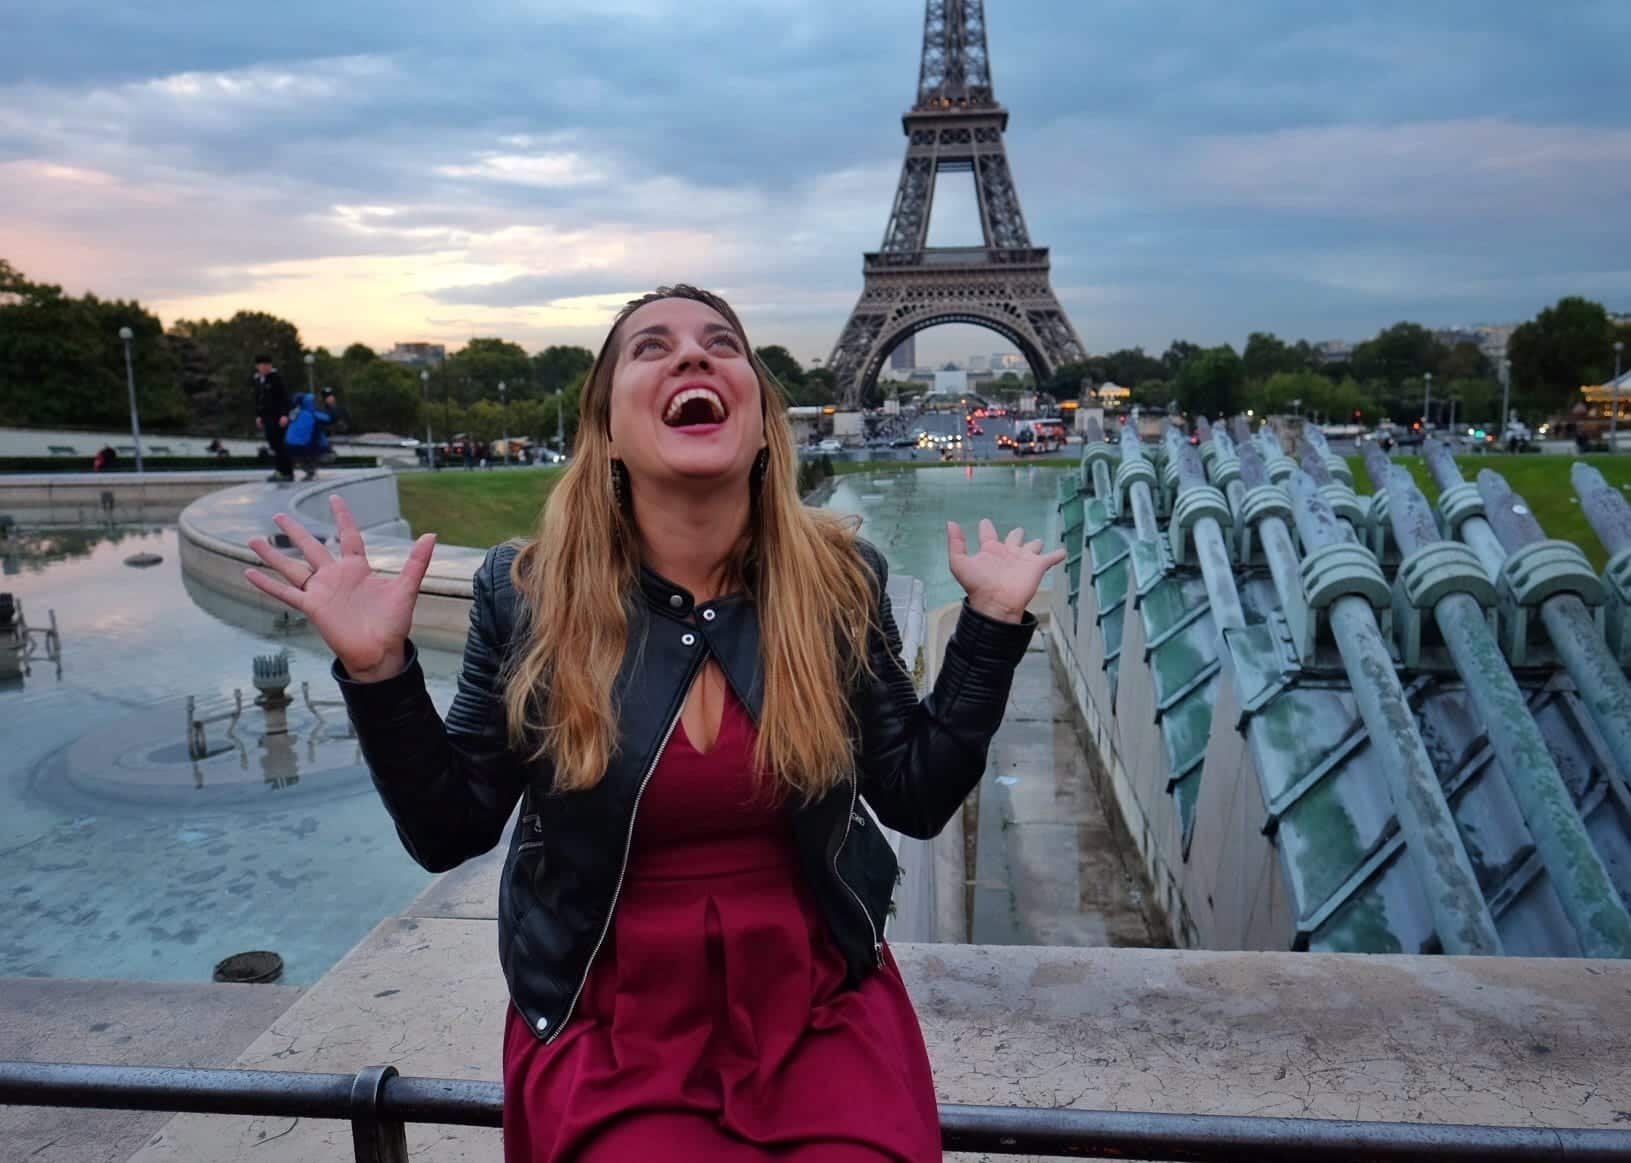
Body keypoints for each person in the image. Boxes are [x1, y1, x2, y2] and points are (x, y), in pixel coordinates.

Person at [242, 285, 1062, 1162]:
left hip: (818, 1003)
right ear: (604, 428)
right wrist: (379, 673)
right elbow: (452, 828)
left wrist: (988, 632)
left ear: (760, 418)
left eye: (721, 342)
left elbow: (917, 793)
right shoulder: (528, 594)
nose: (693, 356)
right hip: (612, 1015)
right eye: (651, 347)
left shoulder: (836, 580)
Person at [252, 355, 293, 482]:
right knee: (274, 445)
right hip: (267, 418)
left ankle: (286, 472)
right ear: (257, 367)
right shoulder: (259, 380)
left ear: (270, 366)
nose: (264, 367)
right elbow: (259, 400)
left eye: (266, 365)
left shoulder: (276, 379)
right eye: (261, 365)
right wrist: (258, 415)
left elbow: (285, 398)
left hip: (278, 417)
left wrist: (285, 414)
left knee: (280, 445)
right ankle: (280, 470)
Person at [284, 391, 334, 481]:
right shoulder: (313, 414)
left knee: (309, 437)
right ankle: (311, 469)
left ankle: (297, 470)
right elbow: (329, 418)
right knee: (320, 443)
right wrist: (329, 406)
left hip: (288, 447)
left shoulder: (293, 414)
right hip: (304, 447)